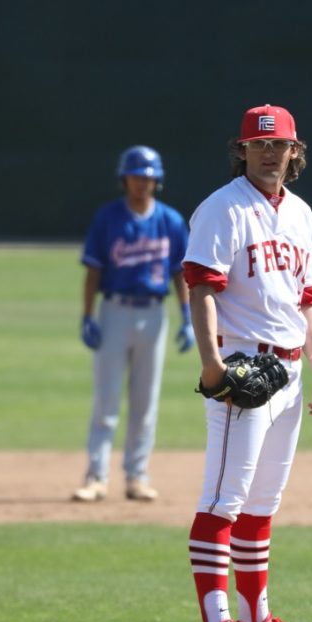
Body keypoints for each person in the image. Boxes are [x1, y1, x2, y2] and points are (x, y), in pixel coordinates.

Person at [183, 104, 312, 622]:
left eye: (279, 146)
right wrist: (211, 367)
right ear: (241, 150)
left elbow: (308, 301)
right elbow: (200, 286)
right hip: (243, 375)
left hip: (291, 375)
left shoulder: (300, 214)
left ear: (296, 152)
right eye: (258, 145)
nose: (269, 153)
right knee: (222, 501)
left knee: (261, 505)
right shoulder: (222, 209)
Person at [72, 145, 194, 503]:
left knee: (145, 401)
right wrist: (87, 315)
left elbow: (180, 273)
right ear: (125, 179)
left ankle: (137, 476)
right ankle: (96, 477)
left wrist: (187, 317)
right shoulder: (108, 218)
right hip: (115, 311)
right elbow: (93, 270)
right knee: (106, 400)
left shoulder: (170, 221)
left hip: (154, 313)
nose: (143, 183)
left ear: (158, 181)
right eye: (137, 176)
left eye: (149, 177)